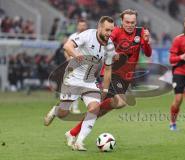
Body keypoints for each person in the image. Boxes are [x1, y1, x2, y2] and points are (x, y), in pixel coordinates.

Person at [66, 9, 152, 146]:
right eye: (127, 22)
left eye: (133, 22)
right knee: (120, 102)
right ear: (122, 22)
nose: (130, 25)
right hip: (112, 73)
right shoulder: (116, 32)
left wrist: (146, 42)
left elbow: (147, 53)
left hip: (125, 78)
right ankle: (76, 132)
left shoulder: (141, 32)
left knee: (103, 109)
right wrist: (113, 53)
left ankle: (73, 132)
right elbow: (104, 43)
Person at [44, 16, 115, 151]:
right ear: (99, 27)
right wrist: (79, 58)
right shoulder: (88, 35)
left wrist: (105, 90)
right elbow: (67, 46)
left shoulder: (110, 46)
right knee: (63, 113)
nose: (109, 34)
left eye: (111, 31)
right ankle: (56, 110)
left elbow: (108, 69)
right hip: (73, 78)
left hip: (90, 81)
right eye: (107, 30)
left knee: (95, 108)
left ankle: (79, 141)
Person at [65, 19, 88, 113]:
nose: (82, 27)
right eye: (81, 25)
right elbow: (66, 49)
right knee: (72, 84)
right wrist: (68, 57)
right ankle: (70, 105)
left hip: (85, 65)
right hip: (74, 64)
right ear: (77, 26)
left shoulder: (88, 36)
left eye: (84, 25)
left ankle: (74, 106)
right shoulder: (73, 36)